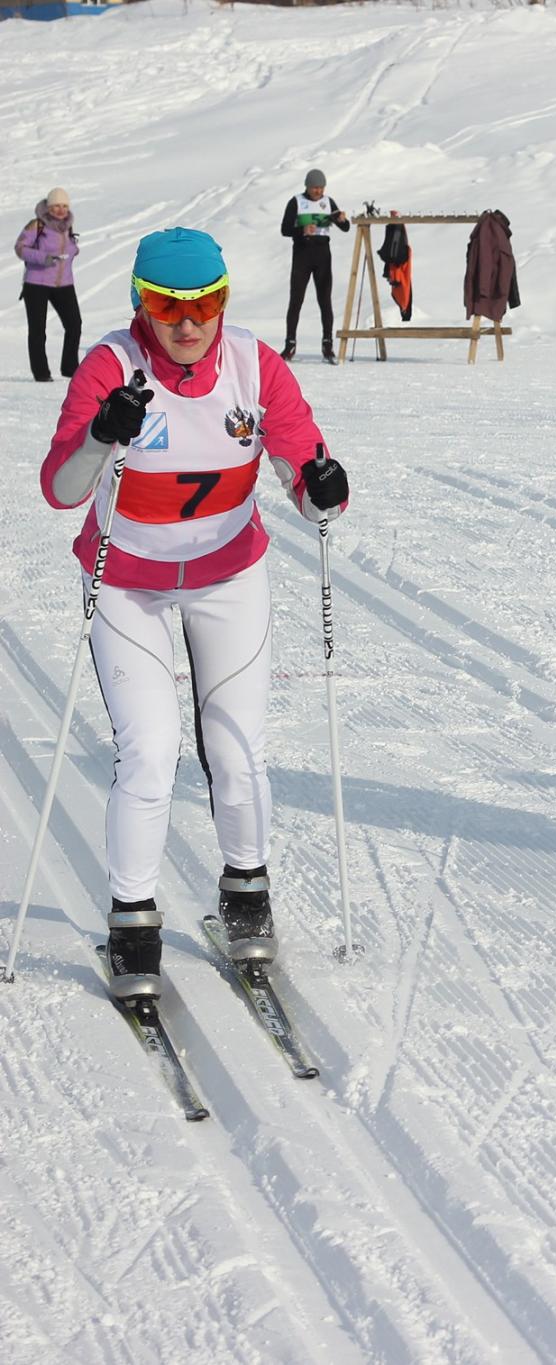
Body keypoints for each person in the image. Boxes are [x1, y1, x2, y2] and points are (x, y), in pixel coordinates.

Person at [39, 228, 351, 998]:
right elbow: (62, 488)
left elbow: (306, 480)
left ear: (224, 299)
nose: (189, 323)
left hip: (225, 579)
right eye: (167, 306)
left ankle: (247, 894)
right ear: (141, 303)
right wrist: (101, 433)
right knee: (149, 749)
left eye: (206, 303)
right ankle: (132, 919)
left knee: (237, 745)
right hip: (127, 581)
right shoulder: (113, 366)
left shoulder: (253, 366)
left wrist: (326, 486)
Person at [279, 169, 349, 363]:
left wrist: (343, 220)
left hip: (322, 255)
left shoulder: (328, 202)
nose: (318, 191)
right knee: (296, 300)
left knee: (325, 301)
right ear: (307, 187)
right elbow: (284, 229)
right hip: (302, 254)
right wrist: (301, 230)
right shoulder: (296, 202)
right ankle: (290, 344)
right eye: (314, 188)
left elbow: (345, 227)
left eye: (321, 188)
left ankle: (328, 346)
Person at [16, 188, 82, 382]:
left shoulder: (67, 225)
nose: (61, 210)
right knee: (38, 329)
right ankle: (41, 373)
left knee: (74, 324)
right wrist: (43, 258)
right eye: (56, 206)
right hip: (36, 283)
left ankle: (70, 369)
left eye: (64, 206)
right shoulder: (37, 225)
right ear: (48, 206)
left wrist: (74, 249)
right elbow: (20, 248)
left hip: (64, 284)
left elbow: (69, 248)